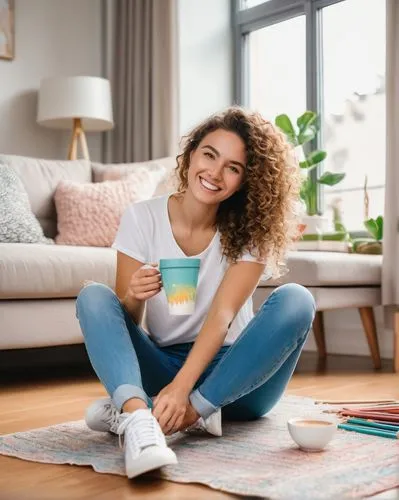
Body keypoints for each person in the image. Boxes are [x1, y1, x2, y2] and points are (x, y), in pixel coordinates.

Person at [76, 106, 316, 479]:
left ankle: (177, 412)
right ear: (190, 156)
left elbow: (222, 316)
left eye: (233, 168)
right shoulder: (142, 217)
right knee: (92, 297)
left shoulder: (248, 232)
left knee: (297, 299)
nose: (216, 173)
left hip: (236, 379)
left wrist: (184, 394)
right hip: (163, 365)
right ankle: (141, 418)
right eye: (209, 155)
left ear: (244, 181)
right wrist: (136, 295)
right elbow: (126, 321)